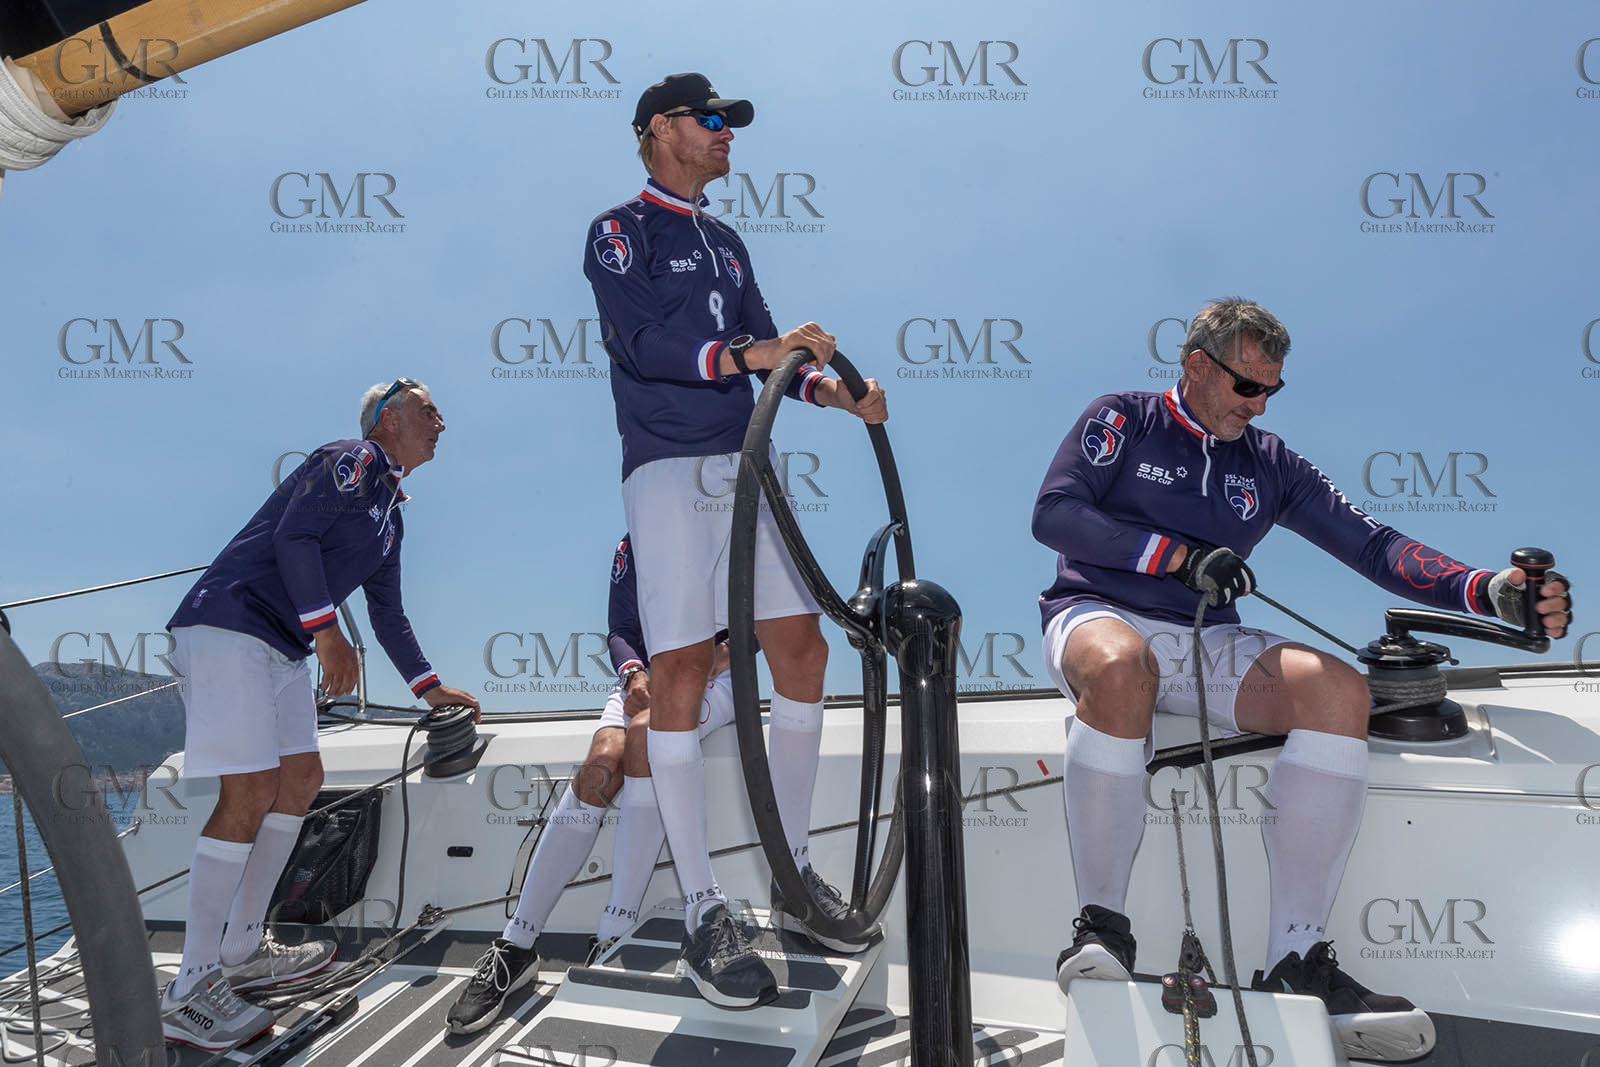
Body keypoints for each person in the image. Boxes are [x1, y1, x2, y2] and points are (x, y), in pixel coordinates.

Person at [1032, 299, 1571, 1063]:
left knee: (1339, 691)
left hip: (1205, 637)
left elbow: (1375, 546)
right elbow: (1055, 514)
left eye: (1271, 392)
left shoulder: (1271, 463)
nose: (1257, 405)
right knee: (1123, 670)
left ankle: (1295, 961)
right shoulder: (1123, 417)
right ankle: (1101, 930)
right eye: (1246, 386)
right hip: (1096, 613)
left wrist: (1486, 589)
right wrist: (1177, 557)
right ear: (1194, 365)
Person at [583, 71, 889, 1009]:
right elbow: (641, 345)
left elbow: (769, 351)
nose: (726, 135)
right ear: (658, 131)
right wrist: (749, 357)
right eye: (710, 120)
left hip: (746, 468)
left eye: (729, 123)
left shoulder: (727, 240)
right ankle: (705, 912)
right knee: (677, 671)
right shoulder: (617, 230)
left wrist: (831, 392)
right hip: (669, 468)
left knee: (801, 649)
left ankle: (791, 877)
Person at [160, 379, 480, 1050]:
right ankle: (189, 986)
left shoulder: (390, 515)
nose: (440, 422)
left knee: (301, 778)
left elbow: (388, 613)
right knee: (249, 789)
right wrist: (327, 630)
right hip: (229, 622)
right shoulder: (352, 460)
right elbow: (295, 535)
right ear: (386, 420)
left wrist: (431, 688)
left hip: (279, 642)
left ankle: (243, 949)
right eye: (428, 410)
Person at [444, 533, 741, 1034]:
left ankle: (614, 932)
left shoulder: (742, 529)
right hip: (647, 675)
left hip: (719, 674)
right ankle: (516, 946)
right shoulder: (638, 537)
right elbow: (622, 626)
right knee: (601, 765)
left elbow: (765, 626)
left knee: (645, 735)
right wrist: (633, 675)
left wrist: (704, 662)